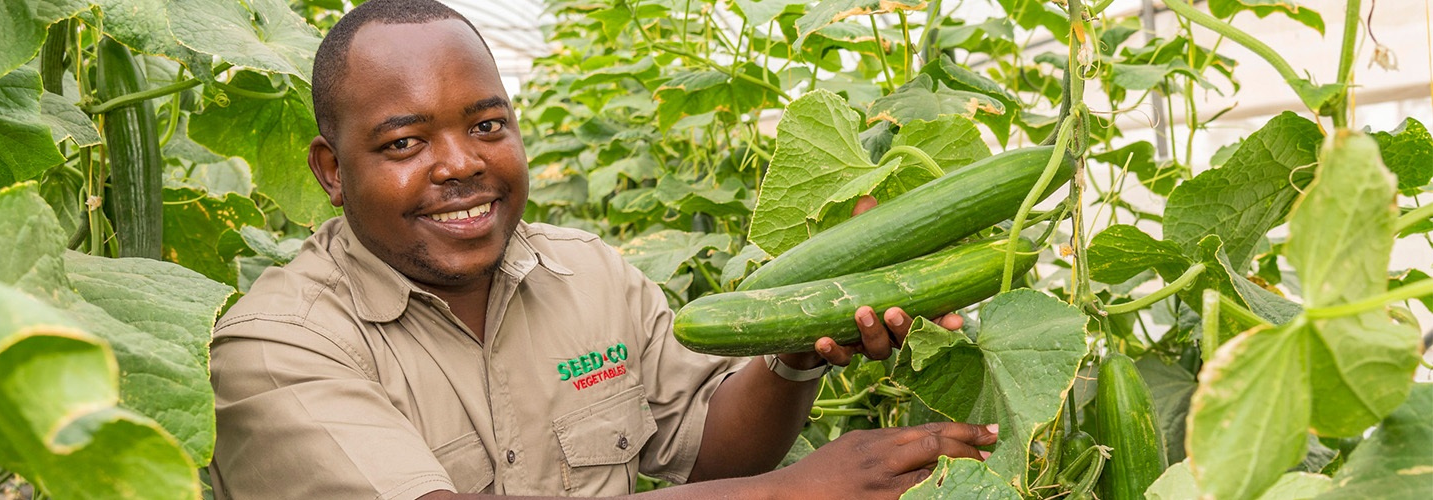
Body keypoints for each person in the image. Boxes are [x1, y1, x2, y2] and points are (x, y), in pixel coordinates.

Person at [207, 1, 998, 498]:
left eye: (487, 126)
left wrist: (796, 349)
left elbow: (711, 449)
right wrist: (795, 493)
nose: (461, 164)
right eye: (405, 141)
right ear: (331, 170)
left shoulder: (587, 275)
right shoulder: (275, 347)